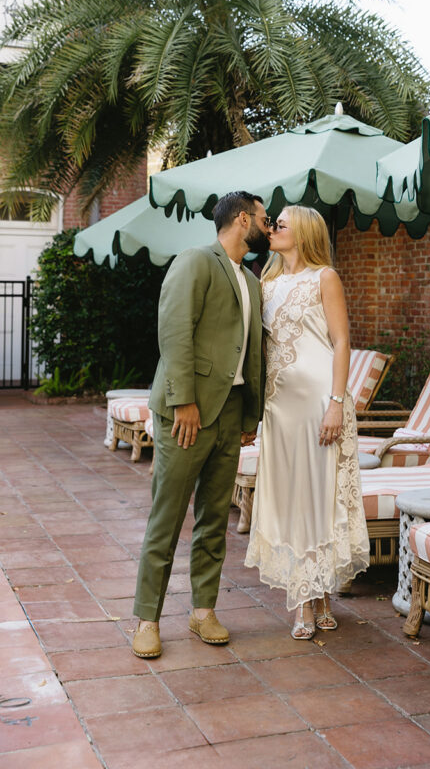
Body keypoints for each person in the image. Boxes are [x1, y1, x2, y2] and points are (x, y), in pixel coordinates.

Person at [132, 191, 269, 658]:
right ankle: (146, 618)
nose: (268, 228)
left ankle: (202, 610)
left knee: (215, 519)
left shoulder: (252, 281)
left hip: (231, 413)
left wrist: (250, 414)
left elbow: (253, 353)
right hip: (187, 413)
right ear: (242, 219)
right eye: (264, 219)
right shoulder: (195, 261)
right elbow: (174, 332)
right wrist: (183, 400)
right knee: (167, 518)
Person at [245, 205, 370, 639]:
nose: (273, 229)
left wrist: (336, 402)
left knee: (320, 498)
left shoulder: (325, 278)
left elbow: (340, 341)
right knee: (291, 499)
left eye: (280, 224)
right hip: (280, 408)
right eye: (273, 223)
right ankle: (306, 598)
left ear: (303, 233)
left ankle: (317, 597)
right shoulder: (267, 280)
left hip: (320, 404)